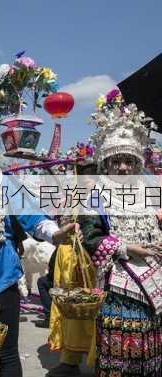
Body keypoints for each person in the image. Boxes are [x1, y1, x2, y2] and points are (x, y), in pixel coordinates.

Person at [0, 106, 80, 377]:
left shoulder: (5, 183)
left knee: (7, 353)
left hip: (2, 279)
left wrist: (55, 233)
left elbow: (32, 216)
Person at [78, 90, 162, 377]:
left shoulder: (151, 192)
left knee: (151, 353)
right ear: (106, 162)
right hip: (119, 287)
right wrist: (127, 248)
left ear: (138, 162)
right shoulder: (95, 194)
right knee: (120, 355)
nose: (123, 167)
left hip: (156, 282)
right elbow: (89, 238)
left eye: (129, 160)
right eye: (117, 161)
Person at [47, 161, 98, 377]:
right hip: (67, 257)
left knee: (94, 307)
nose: (87, 179)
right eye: (83, 174)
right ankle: (69, 360)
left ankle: (101, 357)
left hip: (94, 260)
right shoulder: (69, 197)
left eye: (92, 175)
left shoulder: (104, 197)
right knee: (68, 308)